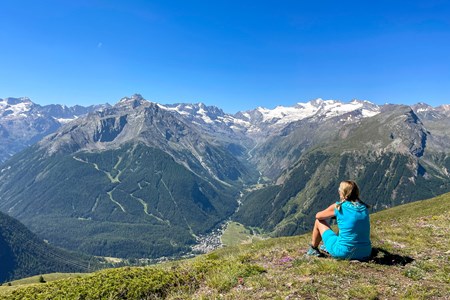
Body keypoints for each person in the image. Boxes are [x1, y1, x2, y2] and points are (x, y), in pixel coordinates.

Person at [306, 180, 372, 261]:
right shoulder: (364, 207)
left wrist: (333, 214)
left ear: (343, 192)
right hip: (365, 253)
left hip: (343, 252)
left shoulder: (339, 207)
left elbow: (318, 216)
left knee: (318, 221)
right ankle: (329, 246)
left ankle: (313, 249)